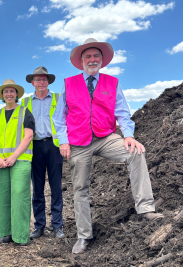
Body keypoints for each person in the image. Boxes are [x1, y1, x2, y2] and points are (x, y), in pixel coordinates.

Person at [52, 38, 163, 255]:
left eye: (96, 56)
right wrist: (63, 141)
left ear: (102, 60)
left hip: (105, 136)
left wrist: (128, 135)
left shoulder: (112, 83)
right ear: (81, 61)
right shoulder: (69, 83)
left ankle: (146, 208)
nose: (92, 60)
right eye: (88, 57)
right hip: (78, 142)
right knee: (80, 188)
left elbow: (122, 112)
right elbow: (59, 118)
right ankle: (84, 236)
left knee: (135, 152)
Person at [0, 79, 35, 246]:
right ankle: (5, 233)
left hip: (20, 159)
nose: (9, 94)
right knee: (1, 197)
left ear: (16, 94)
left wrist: (14, 156)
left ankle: (21, 235)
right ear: (2, 95)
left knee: (19, 195)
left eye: (12, 91)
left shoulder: (25, 112)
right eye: (6, 91)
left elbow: (28, 136)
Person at [22, 66, 64, 239]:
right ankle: (39, 226)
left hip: (54, 146)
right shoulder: (25, 102)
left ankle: (57, 226)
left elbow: (66, 120)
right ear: (32, 82)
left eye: (44, 79)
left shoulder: (58, 98)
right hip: (34, 147)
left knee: (56, 187)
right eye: (38, 79)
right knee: (37, 188)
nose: (41, 82)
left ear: (49, 81)